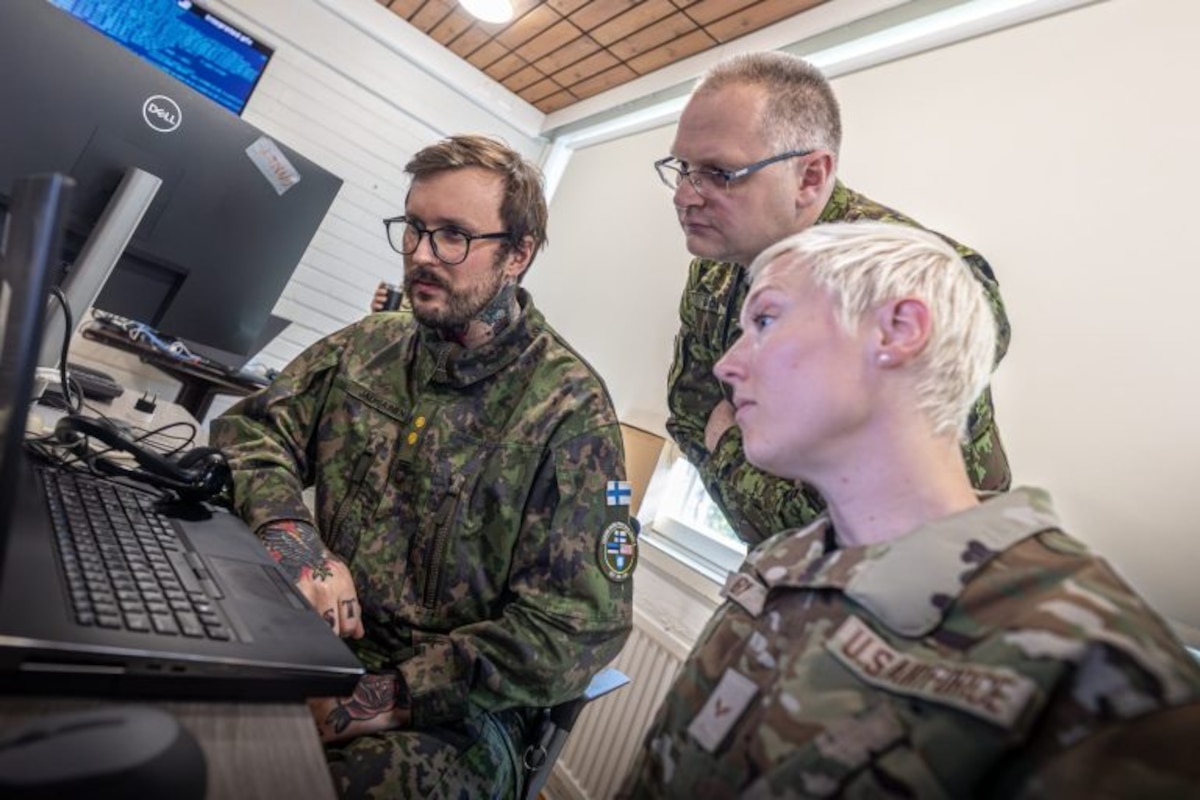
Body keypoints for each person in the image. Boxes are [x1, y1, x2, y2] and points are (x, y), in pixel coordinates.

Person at [618, 222, 1200, 798]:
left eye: (765, 320)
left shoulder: (1097, 668)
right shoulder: (781, 563)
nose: (726, 364)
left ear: (898, 331)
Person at [210, 134, 636, 799]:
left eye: (454, 236)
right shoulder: (369, 346)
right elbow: (252, 430)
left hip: (456, 715)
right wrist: (295, 539)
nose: (422, 255)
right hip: (312, 638)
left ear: (518, 254)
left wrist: (388, 697)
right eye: (414, 228)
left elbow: (577, 628)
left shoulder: (570, 411)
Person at [660, 51, 1011, 545]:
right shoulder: (716, 266)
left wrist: (728, 450)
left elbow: (880, 506)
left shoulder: (911, 281)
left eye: (718, 173)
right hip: (780, 568)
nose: (684, 195)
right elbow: (690, 413)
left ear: (809, 178)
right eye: (683, 167)